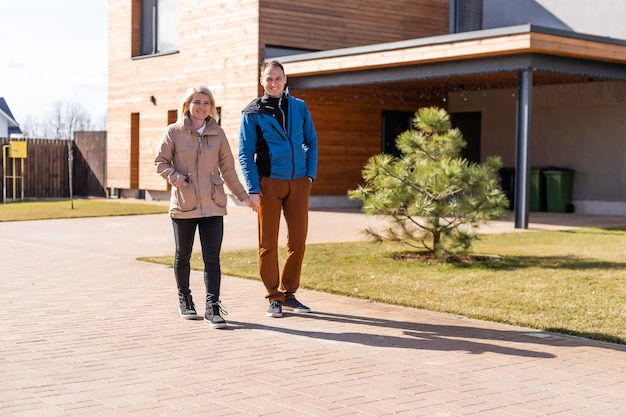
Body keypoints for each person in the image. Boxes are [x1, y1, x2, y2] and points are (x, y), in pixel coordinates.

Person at [155, 86, 258, 329]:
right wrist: (178, 179)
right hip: (184, 204)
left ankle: (212, 307)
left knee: (212, 257)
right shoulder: (174, 132)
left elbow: (228, 170)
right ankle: (185, 299)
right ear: (187, 105)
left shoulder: (217, 133)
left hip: (213, 204)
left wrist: (244, 197)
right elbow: (160, 162)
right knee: (184, 255)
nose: (201, 107)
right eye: (197, 102)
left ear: (211, 107)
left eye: (206, 103)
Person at [238, 60, 319, 318]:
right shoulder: (252, 112)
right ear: (262, 81)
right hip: (268, 183)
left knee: (298, 241)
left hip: (299, 183)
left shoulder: (299, 107)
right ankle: (273, 296)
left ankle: (289, 293)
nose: (274, 83)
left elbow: (312, 141)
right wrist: (253, 189)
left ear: (285, 80)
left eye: (278, 78)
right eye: (269, 79)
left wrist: (310, 176)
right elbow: (244, 153)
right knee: (268, 243)